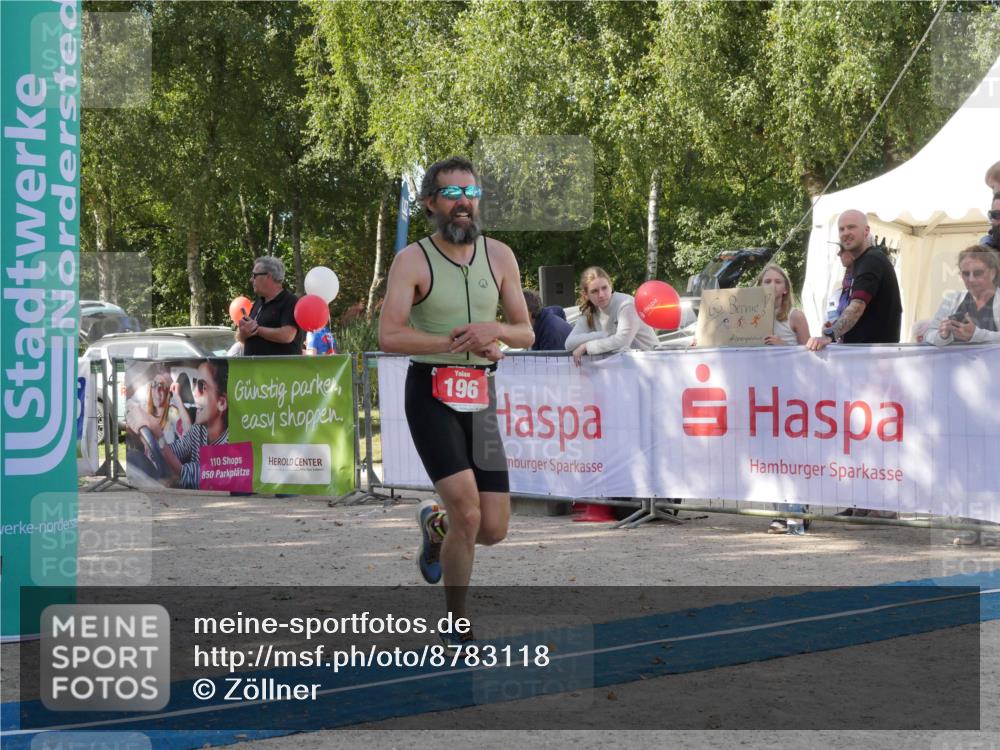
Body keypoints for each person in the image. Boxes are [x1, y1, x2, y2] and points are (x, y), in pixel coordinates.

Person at [378, 156, 534, 646]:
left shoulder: (501, 255)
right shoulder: (412, 261)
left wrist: (494, 332)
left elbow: (525, 332)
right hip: (430, 394)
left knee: (493, 529)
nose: (464, 203)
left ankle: (437, 524)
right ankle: (456, 621)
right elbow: (389, 335)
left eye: (471, 194)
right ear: (430, 203)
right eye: (452, 194)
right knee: (470, 512)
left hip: (480, 395)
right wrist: (458, 342)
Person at [754, 264, 812, 534]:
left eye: (778, 281)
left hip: (791, 395)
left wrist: (783, 347)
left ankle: (797, 512)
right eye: (767, 281)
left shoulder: (795, 316)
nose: (772, 285)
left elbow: (810, 354)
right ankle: (779, 510)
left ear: (786, 287)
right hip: (762, 394)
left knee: (792, 455)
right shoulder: (750, 317)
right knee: (770, 455)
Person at [807, 209, 901, 350]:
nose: (845, 233)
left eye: (851, 227)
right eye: (841, 229)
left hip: (872, 358)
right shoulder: (866, 260)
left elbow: (857, 307)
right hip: (871, 356)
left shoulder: (871, 260)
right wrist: (835, 326)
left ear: (866, 230)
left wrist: (830, 335)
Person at [565, 266, 658, 365]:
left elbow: (622, 342)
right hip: (625, 368)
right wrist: (601, 335)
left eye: (604, 288)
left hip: (651, 365)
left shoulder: (627, 304)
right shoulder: (589, 311)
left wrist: (586, 347)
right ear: (586, 295)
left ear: (611, 286)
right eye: (594, 291)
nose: (601, 294)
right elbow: (569, 343)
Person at [163, 359, 229, 489]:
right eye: (195, 385)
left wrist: (157, 436)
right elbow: (176, 450)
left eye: (202, 387)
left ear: (221, 403)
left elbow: (187, 474)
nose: (194, 393)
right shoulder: (198, 430)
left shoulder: (230, 443)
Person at [923, 246, 1000, 347]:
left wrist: (976, 335)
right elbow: (928, 335)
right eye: (966, 274)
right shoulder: (952, 299)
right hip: (955, 362)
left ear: (993, 273)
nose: (971, 279)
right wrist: (943, 335)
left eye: (978, 273)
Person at [236, 256, 304, 356]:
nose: (251, 280)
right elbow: (242, 339)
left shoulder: (290, 301)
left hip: (279, 370)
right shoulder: (258, 302)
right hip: (254, 369)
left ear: (268, 276)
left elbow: (287, 335)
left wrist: (257, 329)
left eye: (254, 275)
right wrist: (243, 333)